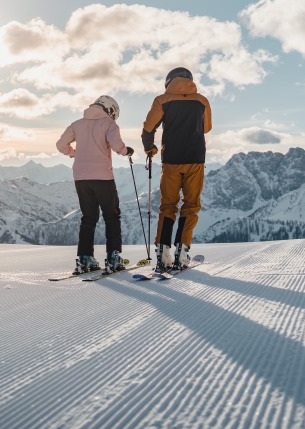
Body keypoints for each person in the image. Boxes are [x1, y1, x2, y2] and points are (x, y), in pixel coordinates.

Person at [141, 67, 212, 272]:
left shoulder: (162, 100)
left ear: (168, 81)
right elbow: (206, 127)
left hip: (171, 160)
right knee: (190, 206)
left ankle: (163, 254)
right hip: (195, 160)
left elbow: (148, 128)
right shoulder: (202, 100)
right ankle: (182, 252)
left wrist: (150, 147)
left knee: (168, 206)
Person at [56, 95, 134, 275]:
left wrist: (74, 153)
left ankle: (84, 259)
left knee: (88, 217)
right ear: (110, 110)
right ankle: (113, 257)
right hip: (103, 177)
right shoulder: (109, 124)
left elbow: (61, 145)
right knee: (112, 216)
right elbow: (117, 146)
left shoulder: (77, 124)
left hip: (81, 177)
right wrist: (126, 151)